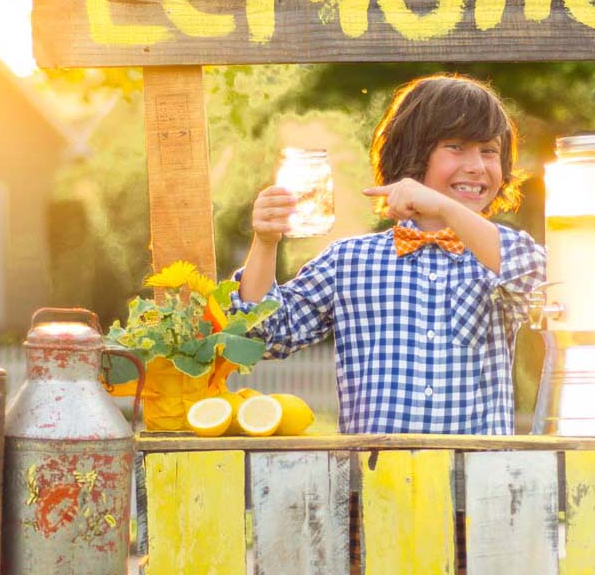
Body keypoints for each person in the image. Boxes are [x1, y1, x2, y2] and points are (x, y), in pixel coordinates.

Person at [231, 74, 546, 434]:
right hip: (375, 479)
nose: (477, 165)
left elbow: (539, 281)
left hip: (477, 483)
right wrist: (266, 242)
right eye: (456, 147)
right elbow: (262, 337)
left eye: (489, 151)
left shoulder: (501, 254)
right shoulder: (350, 260)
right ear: (412, 153)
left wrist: (444, 208)